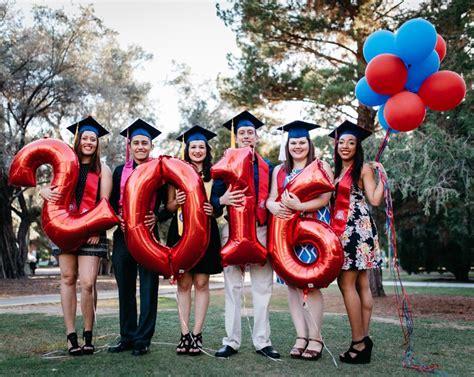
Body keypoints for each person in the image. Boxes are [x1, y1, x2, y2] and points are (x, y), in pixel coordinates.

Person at [40, 116, 113, 356]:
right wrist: (42, 190)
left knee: (88, 283)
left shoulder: (103, 170)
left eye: (93, 139)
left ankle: (88, 334)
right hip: (64, 228)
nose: (89, 142)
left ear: (97, 143)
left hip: (92, 232)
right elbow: (53, 192)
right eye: (85, 138)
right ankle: (71, 337)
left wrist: (93, 229)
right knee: (67, 278)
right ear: (78, 140)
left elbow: (103, 204)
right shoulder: (64, 164)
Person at [212, 111, 280, 359]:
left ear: (256, 136)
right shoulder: (226, 162)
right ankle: (231, 341)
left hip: (261, 229)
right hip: (234, 230)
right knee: (233, 287)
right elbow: (213, 200)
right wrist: (223, 199)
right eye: (242, 133)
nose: (246, 136)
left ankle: (262, 341)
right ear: (236, 138)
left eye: (250, 132)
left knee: (262, 287)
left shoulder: (267, 166)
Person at [266, 121, 334, 361]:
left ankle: (316, 338)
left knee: (311, 283)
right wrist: (272, 205)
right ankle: (300, 336)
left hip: (314, 230)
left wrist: (300, 206)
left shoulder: (321, 165)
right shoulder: (279, 170)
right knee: (293, 285)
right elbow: (271, 199)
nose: (297, 146)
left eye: (301, 142)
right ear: (288, 144)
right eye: (293, 142)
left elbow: (326, 197)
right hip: (287, 233)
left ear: (309, 143)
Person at [108, 119, 168, 357]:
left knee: (148, 287)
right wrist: (116, 219)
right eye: (136, 143)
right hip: (123, 236)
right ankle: (127, 337)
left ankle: (143, 339)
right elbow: (111, 203)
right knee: (125, 288)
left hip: (148, 234)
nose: (141, 146)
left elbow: (168, 204)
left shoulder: (159, 171)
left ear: (151, 146)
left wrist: (158, 215)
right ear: (129, 146)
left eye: (145, 143)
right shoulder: (118, 171)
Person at [328, 120, 385, 364]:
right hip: (346, 230)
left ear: (357, 146)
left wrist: (382, 176)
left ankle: (359, 342)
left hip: (355, 230)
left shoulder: (363, 169)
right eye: (342, 142)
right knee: (361, 283)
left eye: (351, 142)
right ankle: (364, 339)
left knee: (346, 283)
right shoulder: (337, 170)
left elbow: (373, 199)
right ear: (336, 145)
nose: (345, 146)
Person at [166, 125, 223, 355]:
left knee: (201, 284)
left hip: (206, 235)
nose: (197, 150)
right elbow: (169, 206)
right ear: (186, 149)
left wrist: (214, 207)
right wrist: (176, 200)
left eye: (201, 147)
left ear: (207, 150)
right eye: (193, 147)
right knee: (183, 284)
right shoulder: (175, 173)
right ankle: (184, 333)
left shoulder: (216, 175)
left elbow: (219, 207)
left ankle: (197, 334)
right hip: (180, 232)